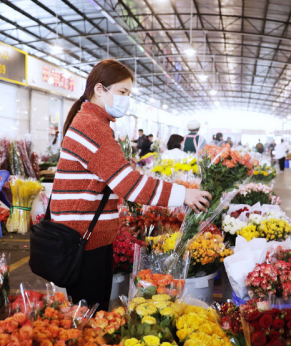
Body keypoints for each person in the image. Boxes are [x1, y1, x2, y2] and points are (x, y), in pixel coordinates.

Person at [52, 59, 211, 311]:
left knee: (94, 310)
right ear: (100, 90)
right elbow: (128, 184)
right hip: (83, 239)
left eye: (128, 94)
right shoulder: (91, 126)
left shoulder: (96, 123)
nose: (126, 99)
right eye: (122, 92)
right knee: (90, 314)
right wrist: (183, 194)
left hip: (88, 236)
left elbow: (118, 175)